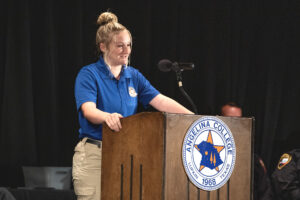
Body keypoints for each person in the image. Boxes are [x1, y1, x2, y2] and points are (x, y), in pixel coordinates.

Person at [72, 11, 193, 200]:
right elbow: (89, 110)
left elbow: (160, 101)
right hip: (96, 156)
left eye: (129, 45)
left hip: (127, 155)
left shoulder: (133, 76)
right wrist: (107, 116)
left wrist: (194, 117)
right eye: (119, 45)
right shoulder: (89, 74)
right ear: (103, 47)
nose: (126, 50)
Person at [220, 102, 274, 200]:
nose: (234, 124)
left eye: (238, 120)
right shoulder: (209, 152)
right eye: (229, 119)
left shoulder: (252, 160)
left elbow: (265, 192)